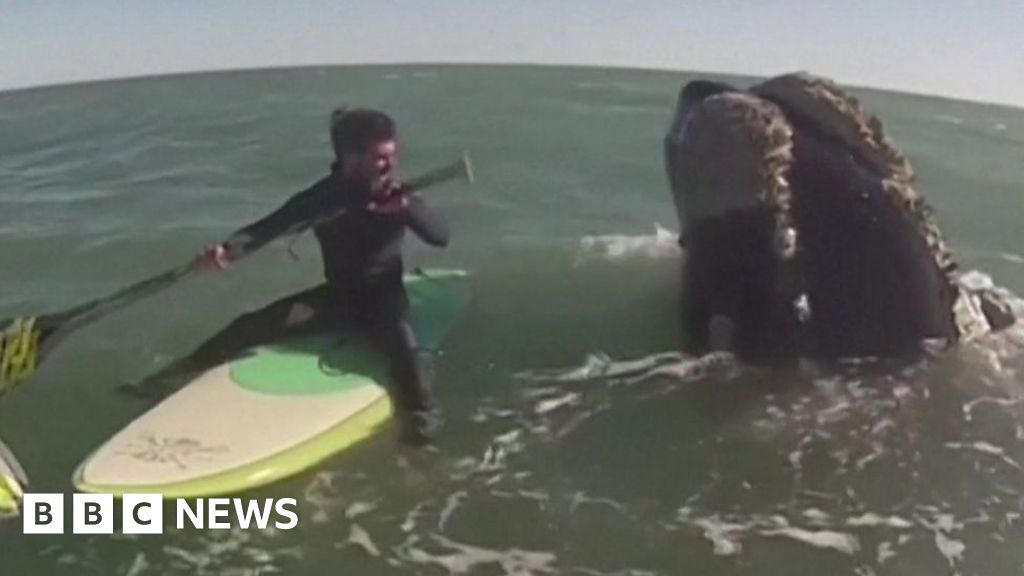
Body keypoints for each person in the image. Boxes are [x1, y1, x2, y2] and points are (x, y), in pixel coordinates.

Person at [188, 107, 449, 446]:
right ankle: (173, 378)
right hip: (336, 300)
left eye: (392, 156)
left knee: (407, 359)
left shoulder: (397, 194)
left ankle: (420, 425)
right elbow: (268, 228)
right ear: (349, 158)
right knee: (248, 326)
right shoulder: (321, 198)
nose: (390, 165)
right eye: (379, 158)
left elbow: (440, 235)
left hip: (384, 300)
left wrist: (406, 210)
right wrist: (225, 251)